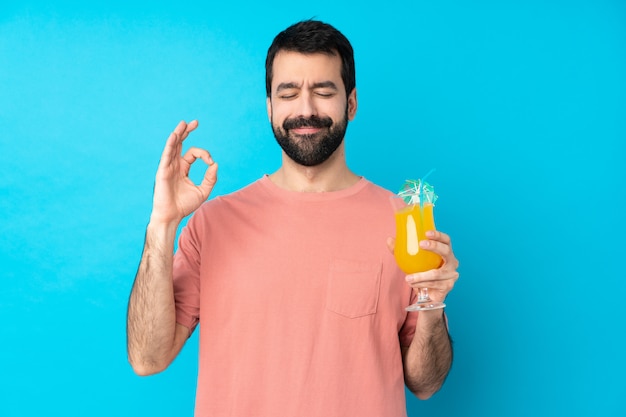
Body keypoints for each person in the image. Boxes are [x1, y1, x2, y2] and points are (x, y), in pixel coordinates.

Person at [127, 19, 459, 417]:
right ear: (270, 106)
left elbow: (425, 383)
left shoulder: (403, 223)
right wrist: (162, 225)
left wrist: (433, 304)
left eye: (323, 91)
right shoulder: (212, 224)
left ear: (350, 103)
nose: (305, 109)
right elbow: (148, 359)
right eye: (288, 93)